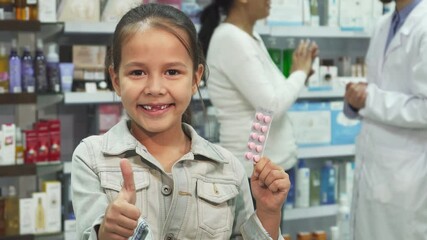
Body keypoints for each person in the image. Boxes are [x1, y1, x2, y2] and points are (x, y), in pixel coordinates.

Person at [72, 3, 290, 240]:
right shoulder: (92, 158)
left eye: (172, 72)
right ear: (116, 80)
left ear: (196, 78)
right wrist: (105, 232)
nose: (155, 88)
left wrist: (268, 212)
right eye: (137, 73)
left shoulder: (227, 168)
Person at [198, 0, 318, 178]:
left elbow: (269, 97)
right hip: (255, 172)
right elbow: (271, 107)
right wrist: (299, 74)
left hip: (266, 167)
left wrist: (298, 74)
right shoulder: (230, 39)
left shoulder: (248, 36)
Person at [343, 0, 427, 239]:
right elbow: (379, 87)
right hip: (374, 169)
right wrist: (355, 101)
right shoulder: (383, 24)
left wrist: (370, 99)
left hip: (409, 178)